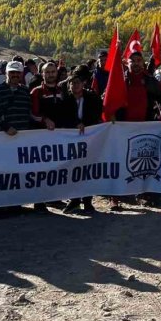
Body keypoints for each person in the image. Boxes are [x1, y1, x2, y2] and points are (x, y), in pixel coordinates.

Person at [60, 70, 103, 214]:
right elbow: (64, 117)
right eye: (72, 83)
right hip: (72, 141)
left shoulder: (92, 98)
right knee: (73, 170)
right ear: (69, 86)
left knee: (87, 169)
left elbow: (97, 113)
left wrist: (85, 123)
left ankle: (88, 201)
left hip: (89, 138)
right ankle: (74, 200)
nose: (75, 85)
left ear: (83, 84)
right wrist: (76, 123)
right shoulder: (65, 101)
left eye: (77, 83)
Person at [30, 62, 67, 130]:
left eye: (53, 72)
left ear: (57, 73)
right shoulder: (36, 91)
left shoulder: (62, 91)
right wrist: (45, 120)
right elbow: (33, 114)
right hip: (43, 133)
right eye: (47, 72)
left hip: (61, 133)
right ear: (42, 74)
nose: (51, 74)